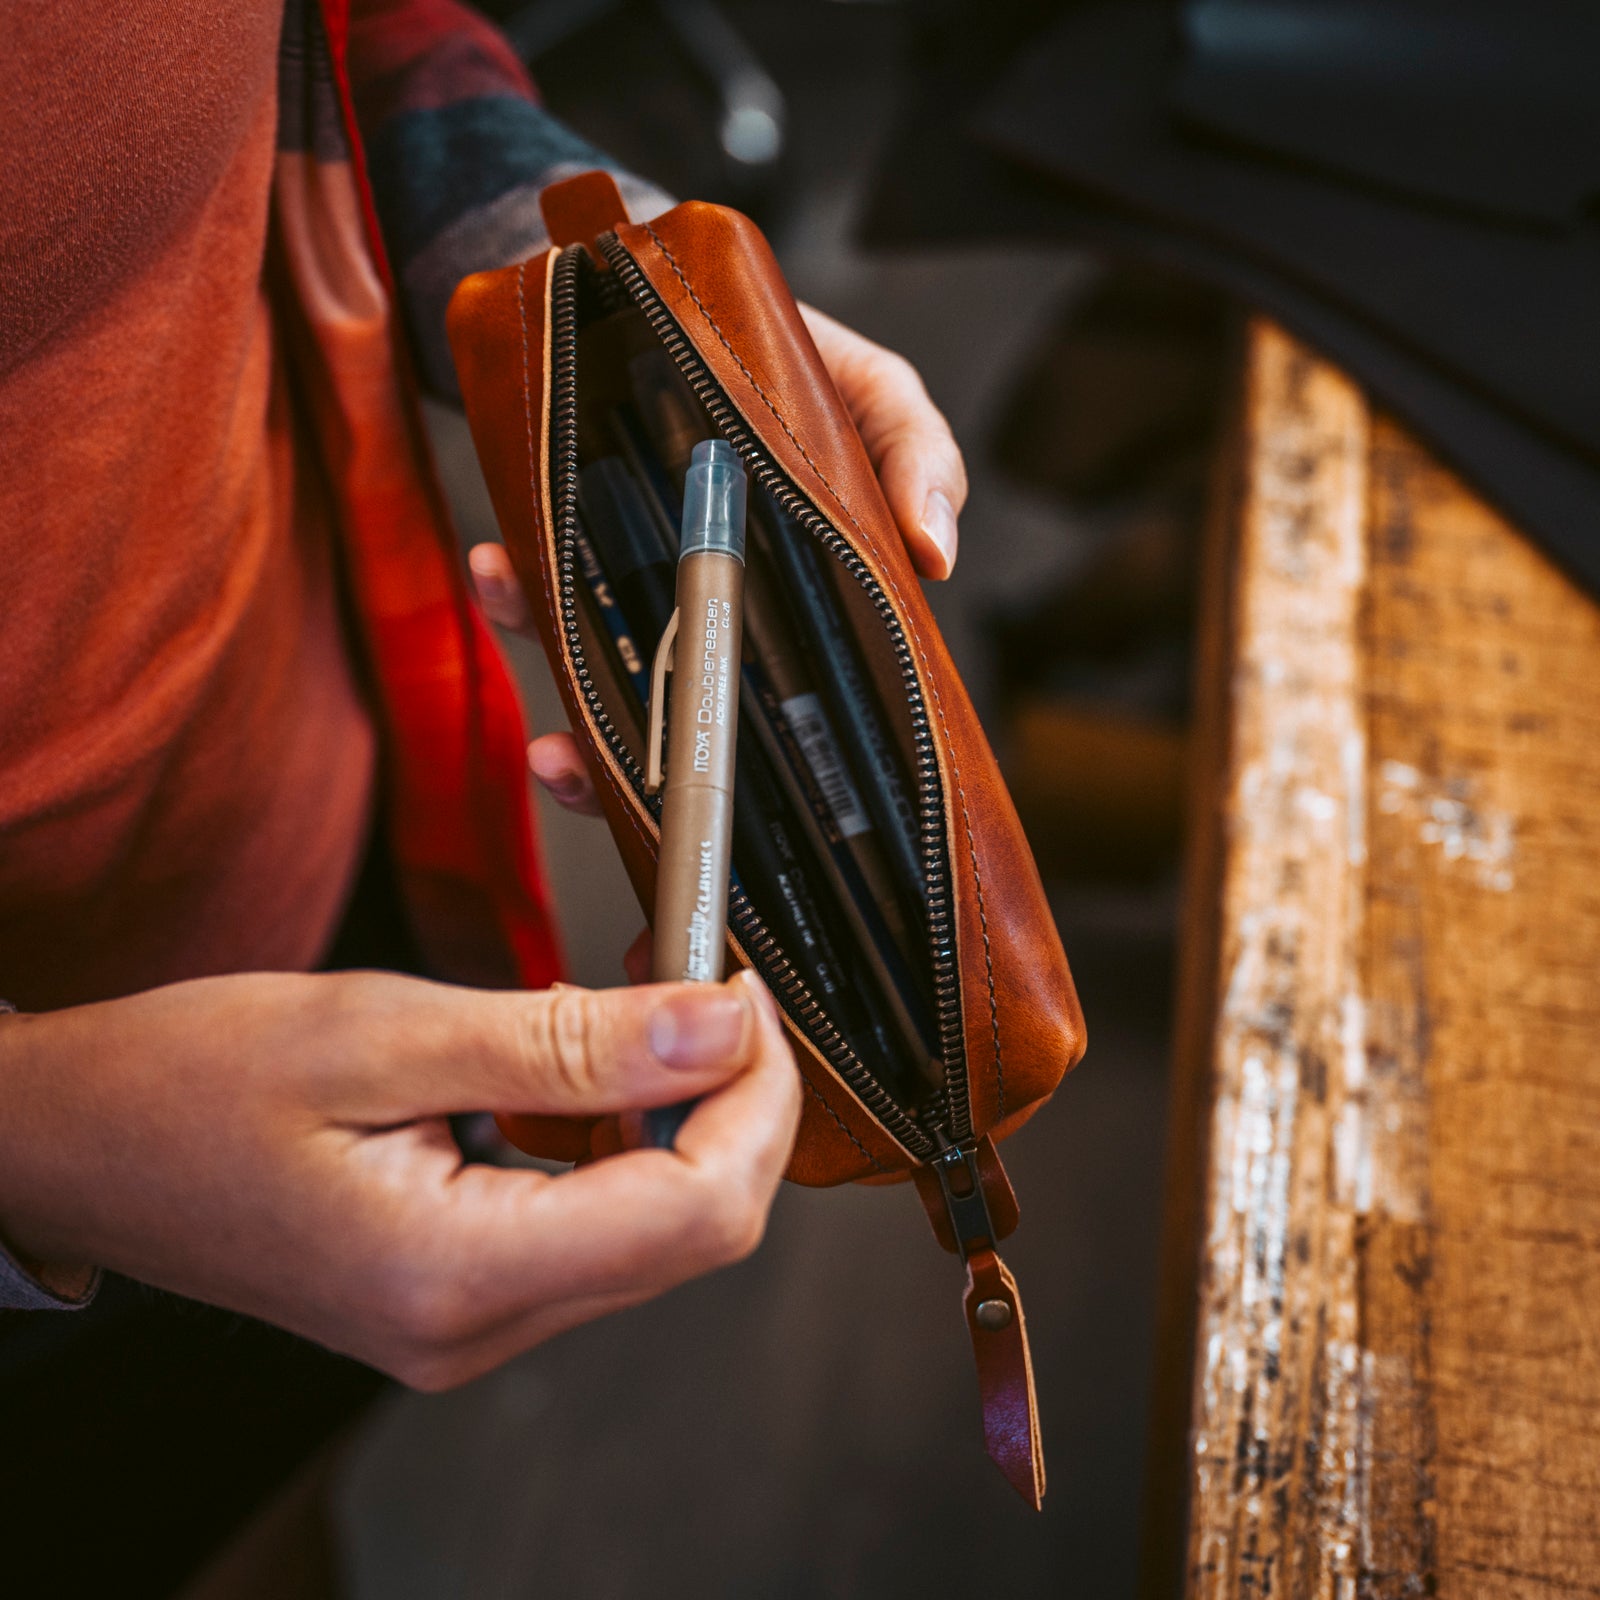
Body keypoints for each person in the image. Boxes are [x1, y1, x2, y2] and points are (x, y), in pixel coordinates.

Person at [0, 0, 967, 1591]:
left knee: (247, 1512)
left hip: (303, 885)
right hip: (86, 1155)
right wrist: (32, 1138)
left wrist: (631, 301)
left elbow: (347, 39)